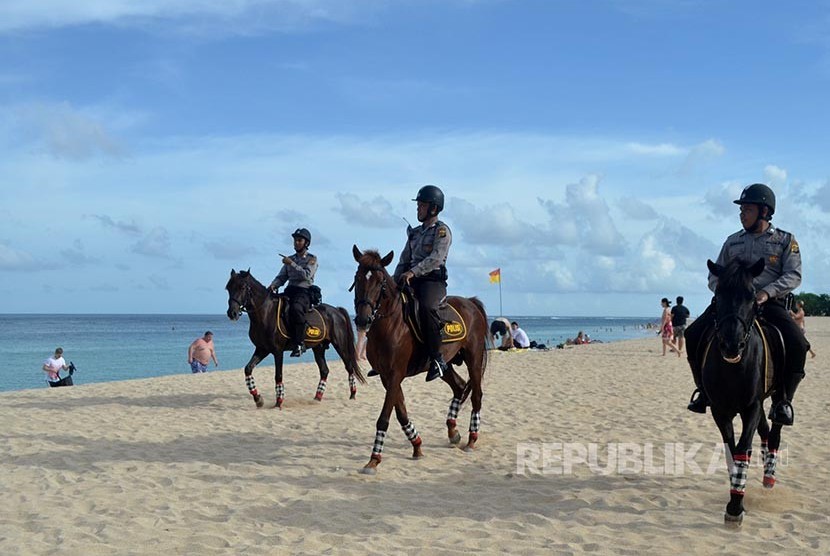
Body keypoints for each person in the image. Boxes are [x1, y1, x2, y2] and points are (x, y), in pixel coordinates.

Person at [684, 183, 809, 425]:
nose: (742, 215)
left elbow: (794, 275)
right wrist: (725, 291)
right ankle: (703, 391)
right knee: (692, 334)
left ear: (764, 211)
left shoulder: (785, 240)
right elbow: (714, 275)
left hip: (769, 303)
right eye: (741, 211)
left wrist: (766, 293)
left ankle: (783, 401)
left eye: (747, 210)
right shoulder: (732, 242)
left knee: (797, 343)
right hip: (733, 304)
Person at [394, 185, 452, 382]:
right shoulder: (415, 233)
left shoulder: (442, 231)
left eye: (422, 205)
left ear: (433, 208)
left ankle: (437, 359)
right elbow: (404, 260)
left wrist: (413, 272)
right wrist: (393, 281)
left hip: (431, 281)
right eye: (418, 205)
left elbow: (436, 258)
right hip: (410, 279)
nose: (418, 208)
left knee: (427, 308)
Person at [269, 228, 318, 357]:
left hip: (304, 291)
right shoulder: (289, 259)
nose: (296, 243)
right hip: (290, 290)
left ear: (306, 243)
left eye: (299, 240)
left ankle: (300, 343)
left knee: (296, 308)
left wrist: (292, 264)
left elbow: (306, 275)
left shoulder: (312, 259)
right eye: (295, 240)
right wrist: (273, 285)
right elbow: (282, 277)